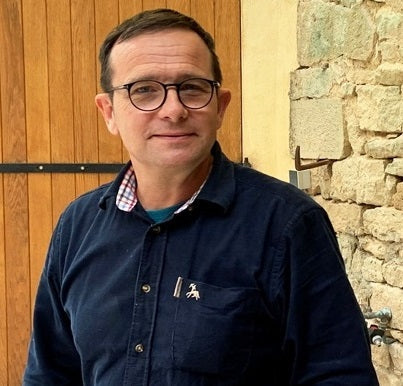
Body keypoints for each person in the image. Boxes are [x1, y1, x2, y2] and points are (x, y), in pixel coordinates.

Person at [23, 8, 379, 386]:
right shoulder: (77, 225)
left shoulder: (287, 224)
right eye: (144, 90)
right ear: (109, 111)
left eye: (192, 88)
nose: (173, 110)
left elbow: (339, 375)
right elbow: (50, 373)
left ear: (220, 106)